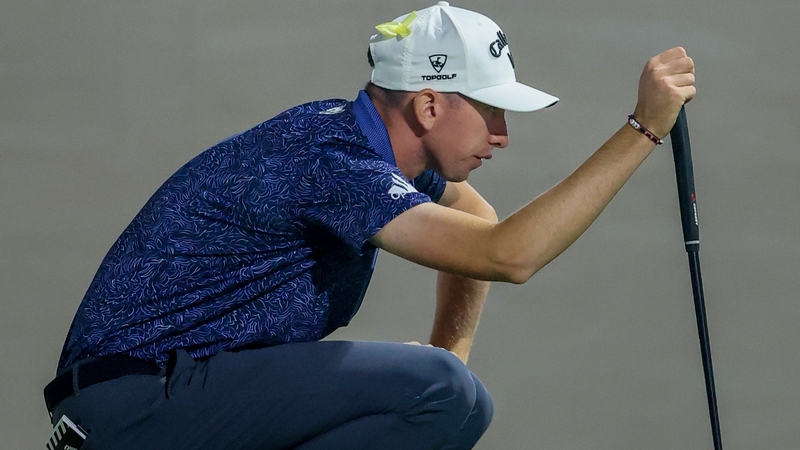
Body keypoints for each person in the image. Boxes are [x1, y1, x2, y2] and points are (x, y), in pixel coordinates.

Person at [44, 2, 695, 449]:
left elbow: (477, 215)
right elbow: (509, 255)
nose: (502, 135)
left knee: (462, 401)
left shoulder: (361, 146)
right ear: (431, 103)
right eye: (492, 110)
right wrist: (642, 131)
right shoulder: (330, 160)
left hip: (168, 397)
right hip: (129, 406)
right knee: (438, 392)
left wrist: (451, 352)